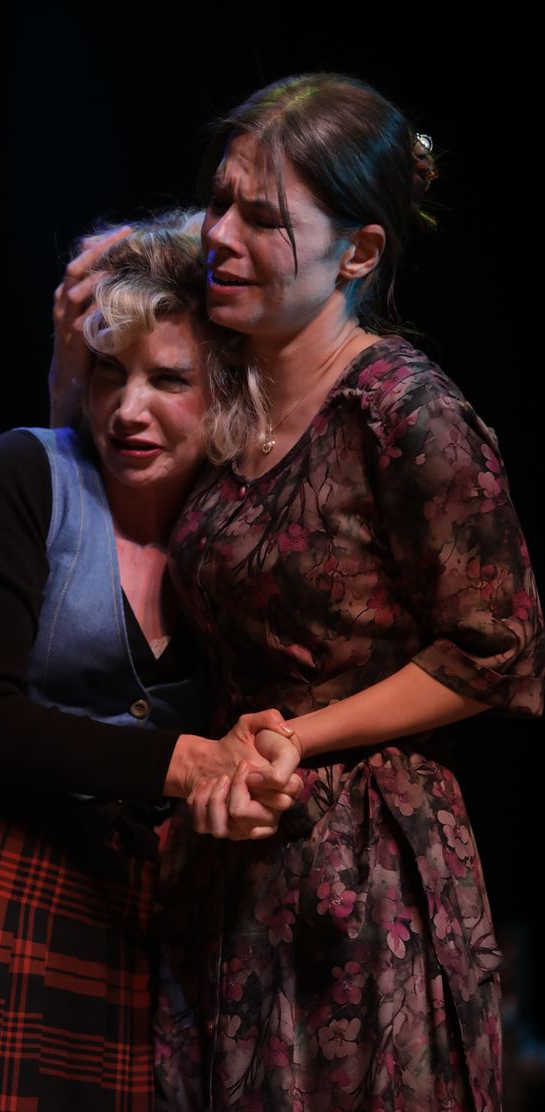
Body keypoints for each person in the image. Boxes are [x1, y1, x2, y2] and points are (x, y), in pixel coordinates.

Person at [0, 213, 300, 1111]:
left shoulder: (231, 542)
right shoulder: (28, 475)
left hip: (125, 923)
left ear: (225, 395)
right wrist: (181, 761)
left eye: (168, 380)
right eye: (111, 372)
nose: (129, 408)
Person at [148, 75, 544, 1111]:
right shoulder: (222, 402)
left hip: (363, 874)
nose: (218, 235)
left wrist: (298, 736)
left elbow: (496, 650)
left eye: (262, 217)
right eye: (219, 202)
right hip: (227, 849)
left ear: (357, 253)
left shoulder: (403, 410)